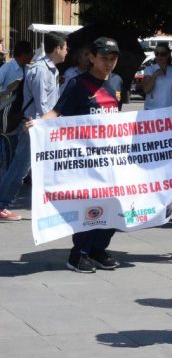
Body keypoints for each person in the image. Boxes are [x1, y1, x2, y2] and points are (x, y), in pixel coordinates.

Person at [37, 37, 121, 271]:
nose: (109, 63)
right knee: (89, 207)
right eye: (104, 58)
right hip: (85, 160)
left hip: (113, 159)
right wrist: (37, 125)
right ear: (91, 58)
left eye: (113, 58)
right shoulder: (77, 84)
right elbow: (56, 112)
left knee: (114, 205)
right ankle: (79, 253)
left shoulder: (116, 82)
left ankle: (98, 249)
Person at [0, 33, 68, 222]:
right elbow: (42, 104)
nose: (67, 52)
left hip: (43, 124)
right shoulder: (40, 70)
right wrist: (50, 124)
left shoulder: (52, 70)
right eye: (65, 48)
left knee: (47, 167)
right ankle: (2, 204)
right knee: (19, 168)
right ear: (57, 49)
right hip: (34, 125)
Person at [143, 42, 172, 109]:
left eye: (162, 54)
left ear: (168, 55)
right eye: (156, 54)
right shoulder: (149, 70)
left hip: (170, 109)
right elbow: (146, 90)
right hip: (152, 109)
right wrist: (155, 75)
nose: (159, 56)